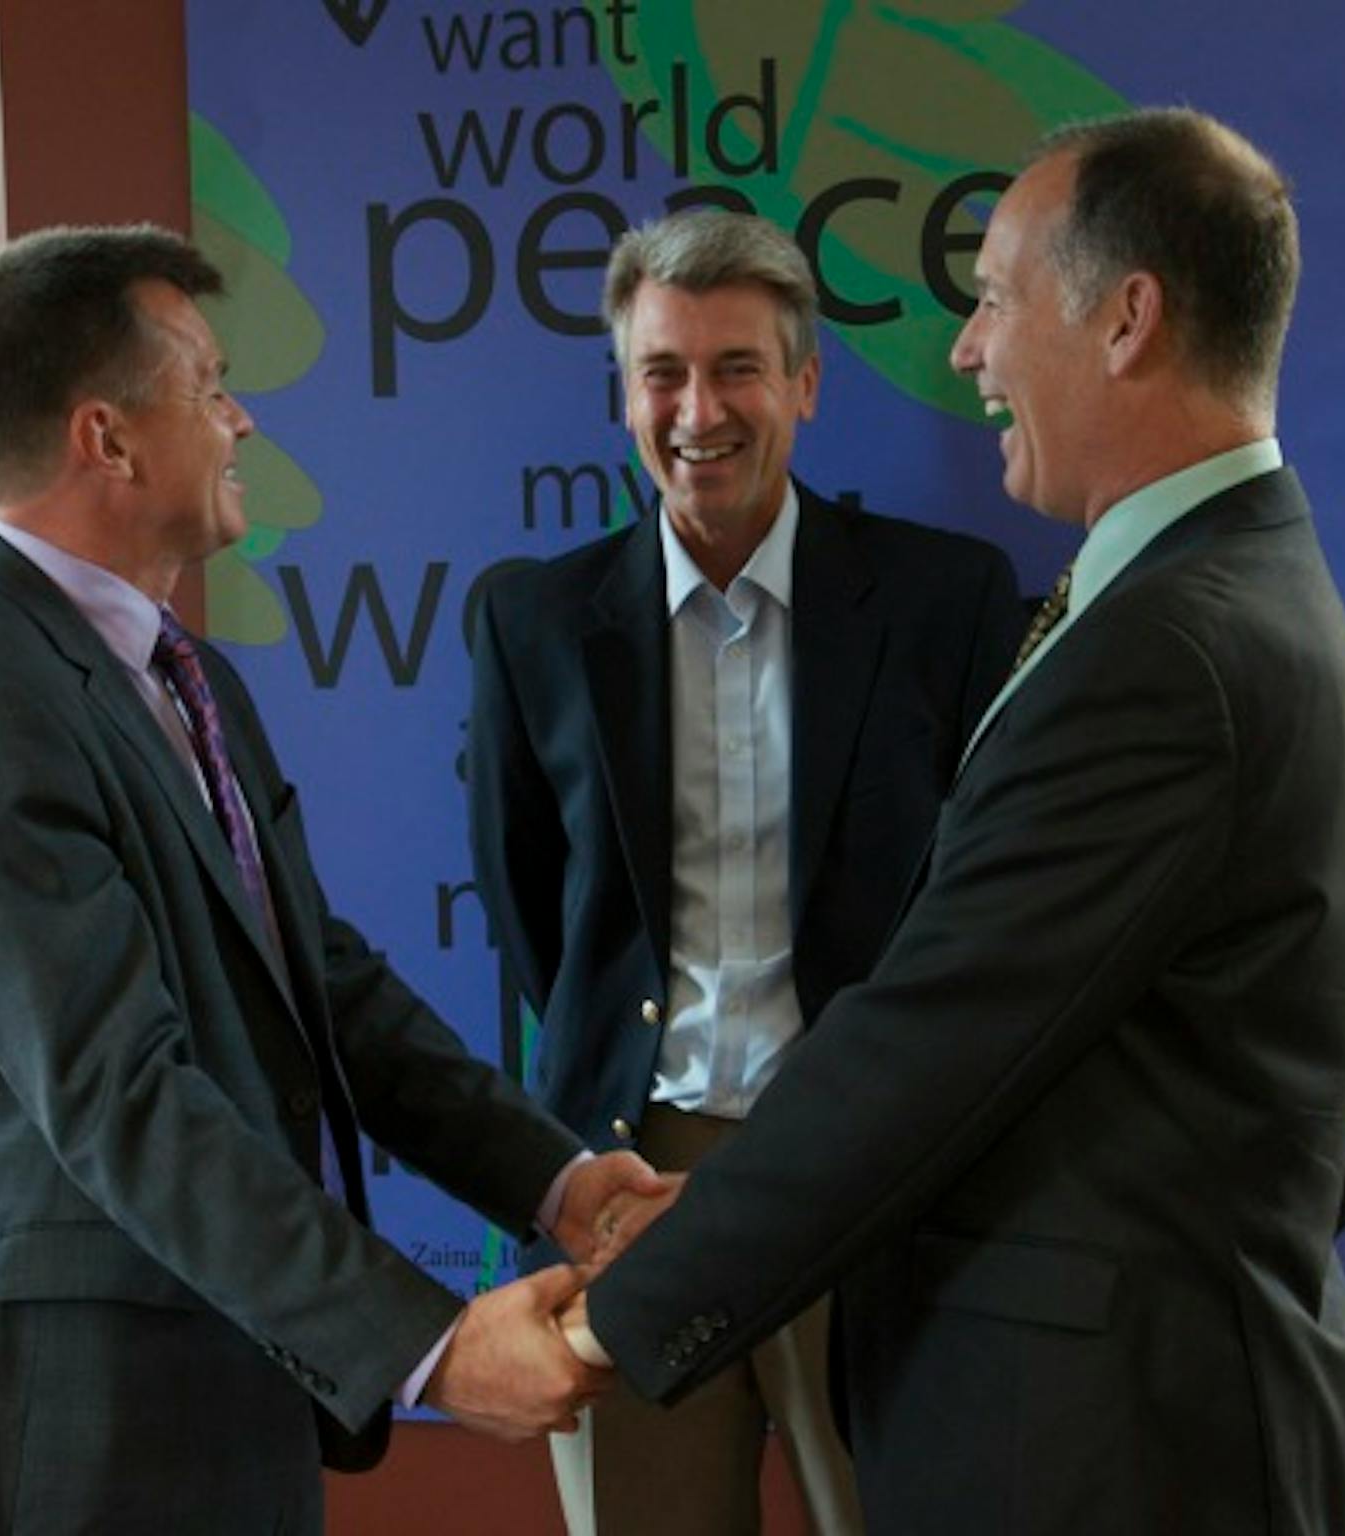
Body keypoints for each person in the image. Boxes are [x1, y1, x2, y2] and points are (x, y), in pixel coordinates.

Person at [564, 108, 1345, 1534]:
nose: (966, 349)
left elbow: (934, 1035)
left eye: (993, 300)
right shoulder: (1209, 587)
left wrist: (592, 1331)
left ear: (1126, 318)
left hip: (1105, 1448)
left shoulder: (1171, 647)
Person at [0, 224, 665, 1535]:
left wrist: (557, 1182)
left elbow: (319, 985)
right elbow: (123, 1099)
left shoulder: (189, 677)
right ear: (107, 440)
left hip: (232, 1376)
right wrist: (433, 1348)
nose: (241, 419)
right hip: (78, 1433)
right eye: (211, 383)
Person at [466, 209, 1023, 1535]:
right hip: (633, 1194)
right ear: (624, 394)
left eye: (737, 368)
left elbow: (989, 908)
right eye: (662, 371)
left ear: (806, 385)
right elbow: (530, 905)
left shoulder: (946, 603)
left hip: (872, 1177)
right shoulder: (533, 622)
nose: (697, 409)